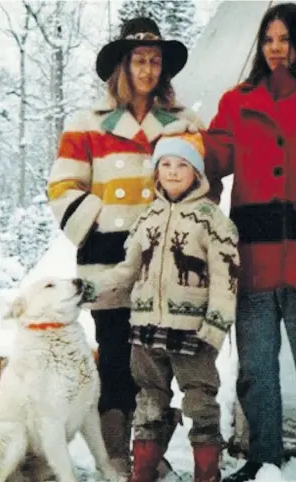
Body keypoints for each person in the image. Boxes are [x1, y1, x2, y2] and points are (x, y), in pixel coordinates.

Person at [196, 3, 296, 482]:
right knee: (256, 369)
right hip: (252, 260)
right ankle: (263, 457)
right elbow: (212, 159)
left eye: (285, 39)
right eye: (268, 39)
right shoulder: (237, 101)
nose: (275, 48)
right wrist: (177, 149)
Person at [47, 17, 204, 477]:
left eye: (156, 60)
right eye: (139, 59)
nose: (148, 68)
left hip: (164, 259)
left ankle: (149, 457)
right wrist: (99, 218)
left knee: (158, 360)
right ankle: (116, 455)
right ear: (123, 64)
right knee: (114, 355)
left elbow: (201, 189)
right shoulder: (86, 123)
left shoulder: (183, 123)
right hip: (106, 256)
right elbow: (61, 187)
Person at [82, 131, 239, 482]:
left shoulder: (212, 221)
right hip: (146, 330)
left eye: (182, 165)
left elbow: (226, 279)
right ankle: (145, 470)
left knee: (200, 400)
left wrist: (215, 327)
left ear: (196, 173)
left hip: (192, 333)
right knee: (149, 400)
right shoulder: (147, 220)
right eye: (165, 164)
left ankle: (206, 471)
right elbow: (128, 269)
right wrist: (95, 288)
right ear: (156, 172)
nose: (172, 171)